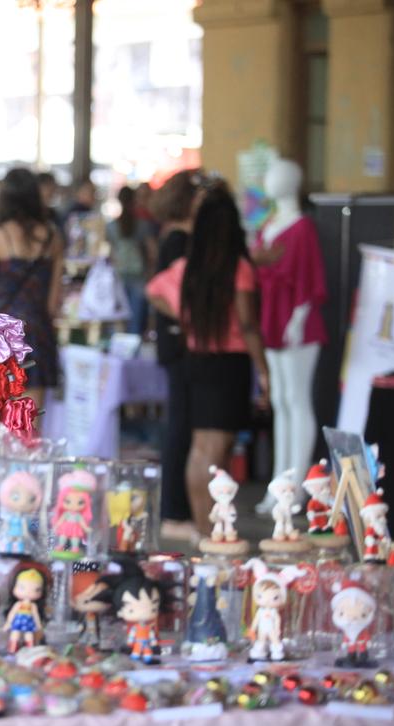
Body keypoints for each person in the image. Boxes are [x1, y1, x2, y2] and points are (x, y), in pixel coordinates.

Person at [146, 184, 270, 537]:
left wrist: (186, 318)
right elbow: (247, 323)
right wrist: (264, 370)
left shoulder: (190, 265)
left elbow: (153, 290)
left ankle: (209, 530)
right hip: (228, 362)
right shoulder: (238, 267)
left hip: (198, 359)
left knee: (203, 449)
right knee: (216, 450)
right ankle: (211, 531)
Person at [0, 167, 64, 412]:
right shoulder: (53, 237)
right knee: (31, 422)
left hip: (4, 336)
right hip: (40, 334)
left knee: (1, 419)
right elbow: (53, 305)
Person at [146, 169, 202, 537]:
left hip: (175, 339)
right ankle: (173, 514)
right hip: (178, 340)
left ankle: (175, 512)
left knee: (181, 421)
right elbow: (165, 293)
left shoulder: (175, 238)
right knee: (180, 424)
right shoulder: (179, 240)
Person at [106, 185, 156, 334]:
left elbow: (110, 253)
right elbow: (153, 252)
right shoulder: (143, 225)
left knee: (119, 319)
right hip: (139, 276)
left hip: (119, 274)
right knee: (136, 321)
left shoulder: (111, 226)